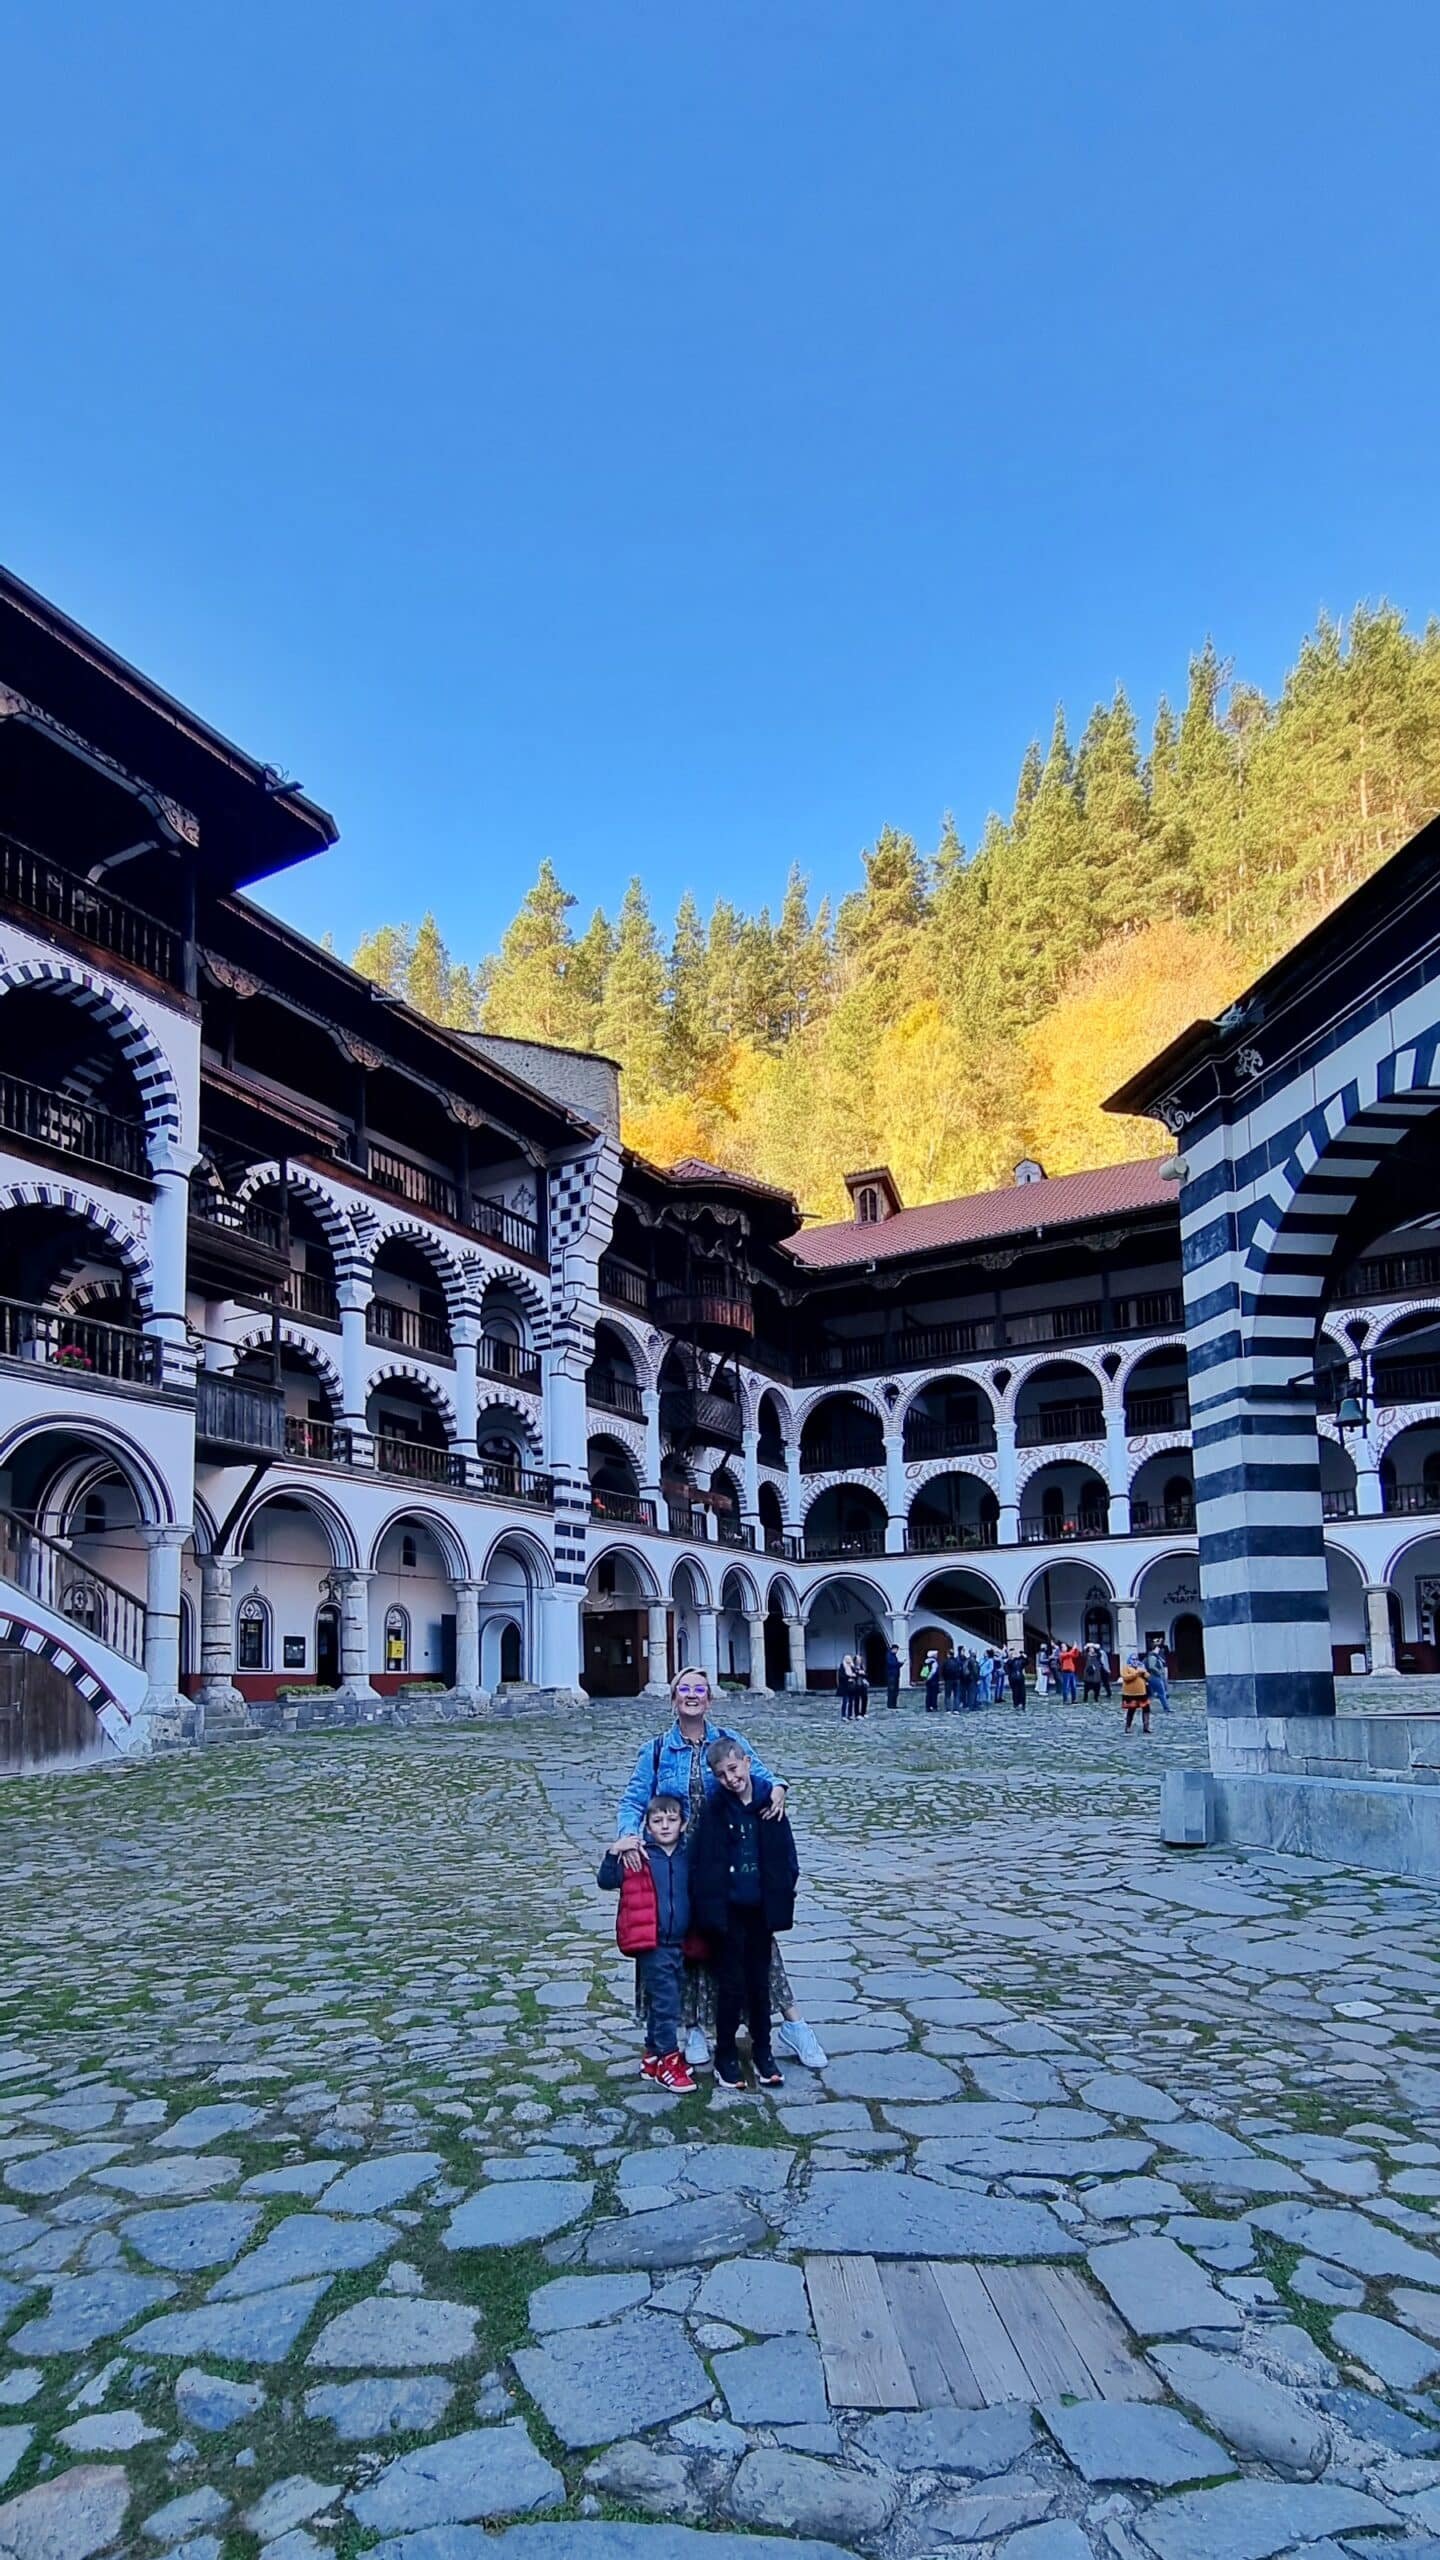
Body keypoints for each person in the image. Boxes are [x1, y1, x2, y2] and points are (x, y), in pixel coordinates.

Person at [610, 1667, 827, 2073]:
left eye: (699, 1689)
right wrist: (629, 1836)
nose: (692, 1695)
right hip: (675, 1864)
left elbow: (760, 1774)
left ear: (709, 1699)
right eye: (684, 1689)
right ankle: (693, 2025)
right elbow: (634, 1800)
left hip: (724, 1862)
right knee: (688, 1945)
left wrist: (779, 1787)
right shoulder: (656, 1750)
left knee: (758, 1946)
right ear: (674, 1698)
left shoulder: (728, 1742)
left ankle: (792, 2023)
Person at [691, 1737, 799, 2090]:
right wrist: (710, 1910)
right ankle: (725, 2053)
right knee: (731, 1985)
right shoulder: (715, 1809)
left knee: (759, 1984)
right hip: (729, 1912)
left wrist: (783, 1891)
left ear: (747, 1764)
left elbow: (786, 1854)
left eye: (734, 1770)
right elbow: (705, 1862)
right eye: (721, 1775)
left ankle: (763, 2050)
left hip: (761, 1909)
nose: (730, 1779)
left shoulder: (770, 1801)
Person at [596, 1792, 696, 2092]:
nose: (665, 1826)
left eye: (671, 1820)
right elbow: (606, 1880)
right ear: (647, 1826)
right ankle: (669, 2059)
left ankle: (652, 2054)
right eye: (657, 1821)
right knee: (667, 2005)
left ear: (683, 1823)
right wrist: (615, 1851)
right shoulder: (638, 1856)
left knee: (663, 2001)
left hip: (680, 1942)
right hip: (652, 1944)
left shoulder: (687, 1856)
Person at [1121, 1653, 1152, 1734]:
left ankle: (1146, 1727)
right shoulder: (1126, 1668)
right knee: (1131, 1710)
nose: (1135, 1661)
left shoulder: (1140, 1667)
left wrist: (1144, 1672)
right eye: (1133, 1659)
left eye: (1136, 1659)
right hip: (1131, 1694)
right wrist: (1137, 1673)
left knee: (1146, 1709)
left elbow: (1148, 1676)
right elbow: (1126, 1677)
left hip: (1142, 1693)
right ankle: (1128, 1727)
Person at [1144, 1638, 1171, 1714]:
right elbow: (1152, 1666)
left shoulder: (1154, 1656)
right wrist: (1159, 1672)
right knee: (1161, 1693)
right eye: (1157, 1648)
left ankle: (1147, 1708)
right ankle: (1166, 1708)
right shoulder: (1152, 1656)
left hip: (1152, 1677)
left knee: (1151, 1695)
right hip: (1155, 1677)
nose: (1158, 1649)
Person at [941, 1646, 963, 1712]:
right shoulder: (957, 1662)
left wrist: (944, 1678)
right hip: (957, 1680)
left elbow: (943, 1671)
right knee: (956, 1695)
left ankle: (948, 1709)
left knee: (948, 1695)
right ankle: (956, 1709)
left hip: (948, 1680)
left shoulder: (945, 1662)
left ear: (948, 1654)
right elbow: (960, 1670)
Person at [1007, 1644, 1027, 1709]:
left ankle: (1022, 1703)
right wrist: (1011, 1658)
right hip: (1013, 1678)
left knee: (1022, 1691)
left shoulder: (1020, 1660)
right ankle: (1016, 1703)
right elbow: (1007, 1667)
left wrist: (1024, 1657)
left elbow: (1026, 1663)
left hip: (1020, 1677)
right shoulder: (1010, 1661)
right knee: (1015, 1691)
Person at [884, 1641, 903, 1711]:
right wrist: (898, 1664)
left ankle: (894, 1704)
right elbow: (891, 1664)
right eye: (896, 1649)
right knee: (892, 1689)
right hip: (891, 1675)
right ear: (893, 1649)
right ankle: (891, 1704)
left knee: (895, 1690)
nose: (897, 1651)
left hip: (895, 1674)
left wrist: (900, 1664)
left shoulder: (893, 1656)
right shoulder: (889, 1655)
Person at [922, 1647, 941, 1712]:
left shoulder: (926, 1661)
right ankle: (933, 1706)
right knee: (934, 1694)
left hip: (928, 1680)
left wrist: (926, 1679)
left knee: (928, 1693)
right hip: (933, 1680)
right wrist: (930, 1678)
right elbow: (933, 1671)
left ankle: (928, 1706)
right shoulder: (934, 1662)